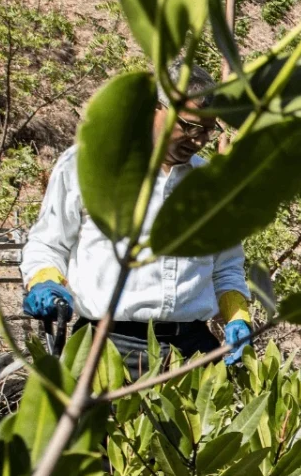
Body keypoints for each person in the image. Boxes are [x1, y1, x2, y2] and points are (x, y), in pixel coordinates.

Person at [19, 66, 253, 377]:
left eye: (208, 130)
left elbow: (226, 267)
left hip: (192, 350)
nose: (198, 140)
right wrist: (44, 281)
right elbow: (48, 244)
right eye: (189, 126)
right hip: (106, 348)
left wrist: (238, 315)